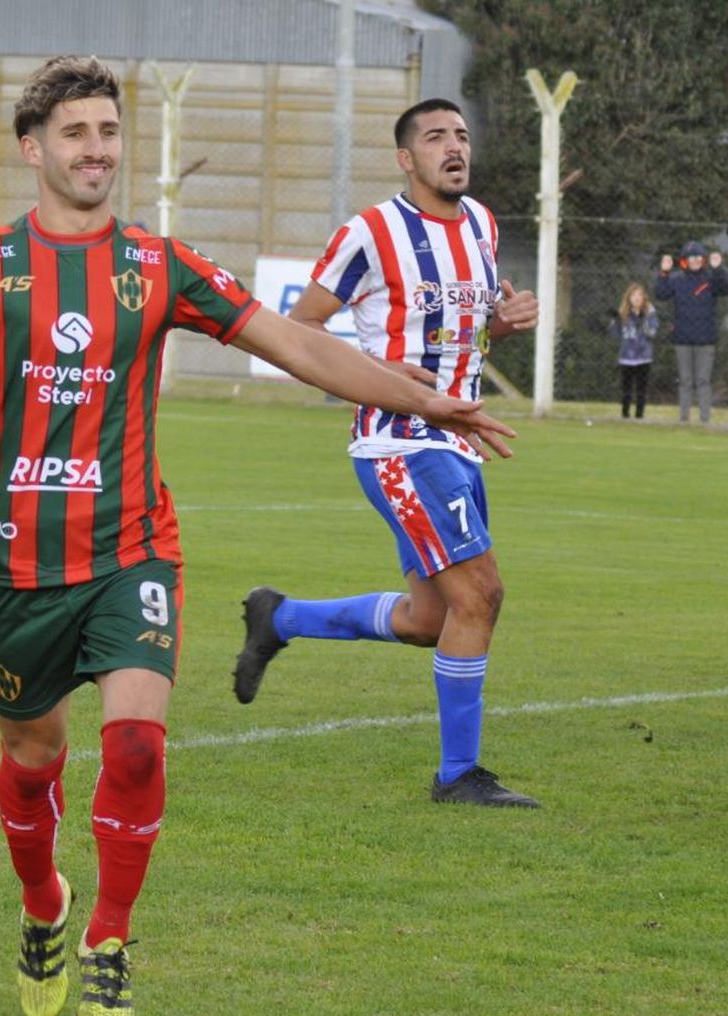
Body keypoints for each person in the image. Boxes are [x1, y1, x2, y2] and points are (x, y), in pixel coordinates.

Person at [0, 58, 516, 1016]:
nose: (96, 149)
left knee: (138, 743)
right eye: (75, 133)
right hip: (17, 566)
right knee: (32, 761)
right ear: (34, 149)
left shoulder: (158, 263)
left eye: (108, 131)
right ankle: (45, 902)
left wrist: (422, 395)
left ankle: (109, 936)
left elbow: (297, 344)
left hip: (131, 546)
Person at [232, 97, 542, 810]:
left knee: (431, 619)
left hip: (456, 438)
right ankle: (458, 776)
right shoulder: (370, 232)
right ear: (406, 158)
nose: (453, 147)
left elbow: (468, 334)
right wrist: (380, 369)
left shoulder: (483, 225)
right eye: (435, 137)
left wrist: (503, 323)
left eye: (461, 134)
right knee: (482, 595)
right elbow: (296, 329)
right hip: (399, 441)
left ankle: (279, 618)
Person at [654, 241, 728, 424]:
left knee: (703, 381)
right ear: (684, 261)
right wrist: (663, 272)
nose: (695, 260)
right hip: (683, 338)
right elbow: (661, 293)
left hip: (706, 340)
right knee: (686, 381)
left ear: (703, 259)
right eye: (691, 257)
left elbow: (726, 289)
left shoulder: (711, 279)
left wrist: (719, 268)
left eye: (698, 257)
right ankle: (684, 419)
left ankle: (705, 420)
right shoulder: (676, 279)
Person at [609, 282, 657, 419]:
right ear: (628, 298)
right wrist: (615, 321)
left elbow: (652, 333)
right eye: (634, 295)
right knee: (626, 389)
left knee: (641, 389)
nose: (637, 298)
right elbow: (614, 335)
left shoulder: (649, 313)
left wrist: (643, 321)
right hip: (626, 357)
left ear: (644, 298)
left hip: (643, 357)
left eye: (640, 295)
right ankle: (625, 415)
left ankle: (639, 416)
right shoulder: (623, 313)